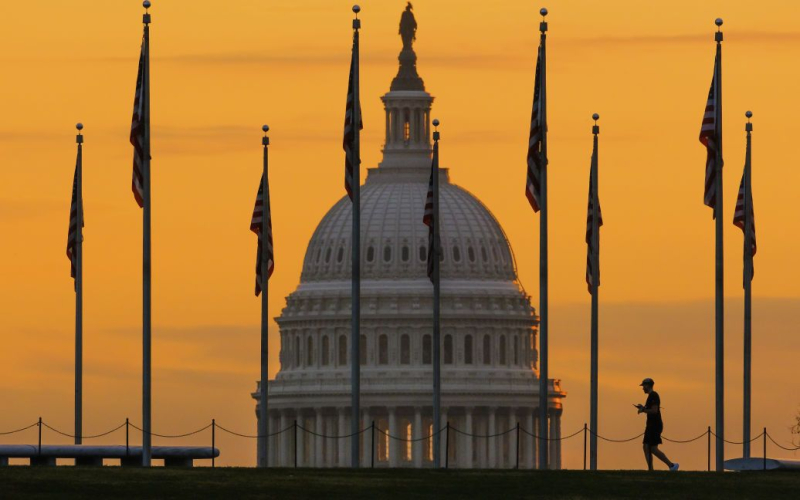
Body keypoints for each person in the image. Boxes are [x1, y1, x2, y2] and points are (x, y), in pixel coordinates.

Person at [636, 378, 679, 471]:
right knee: (647, 447)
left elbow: (654, 411)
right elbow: (651, 409)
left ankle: (671, 465)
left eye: (643, 386)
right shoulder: (651, 396)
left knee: (652, 448)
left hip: (654, 425)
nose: (643, 388)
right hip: (651, 425)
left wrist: (643, 410)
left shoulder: (654, 396)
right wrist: (643, 408)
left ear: (648, 385)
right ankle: (652, 469)